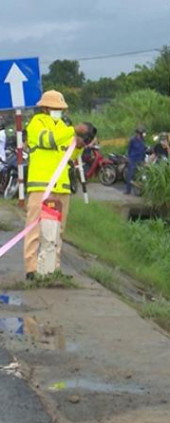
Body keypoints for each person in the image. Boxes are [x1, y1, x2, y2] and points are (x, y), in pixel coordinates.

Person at [24, 89, 95, 280]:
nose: (59, 111)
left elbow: (69, 156)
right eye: (55, 108)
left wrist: (79, 145)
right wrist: (73, 131)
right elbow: (48, 139)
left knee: (57, 231)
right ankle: (31, 269)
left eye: (61, 109)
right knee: (34, 228)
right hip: (41, 185)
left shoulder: (64, 127)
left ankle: (53, 270)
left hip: (61, 186)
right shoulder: (37, 124)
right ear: (46, 108)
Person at [125, 125, 147, 195]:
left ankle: (142, 189)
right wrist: (128, 158)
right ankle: (128, 190)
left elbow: (144, 150)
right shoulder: (133, 140)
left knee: (142, 174)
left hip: (141, 159)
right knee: (130, 174)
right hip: (133, 159)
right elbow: (129, 149)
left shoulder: (143, 140)